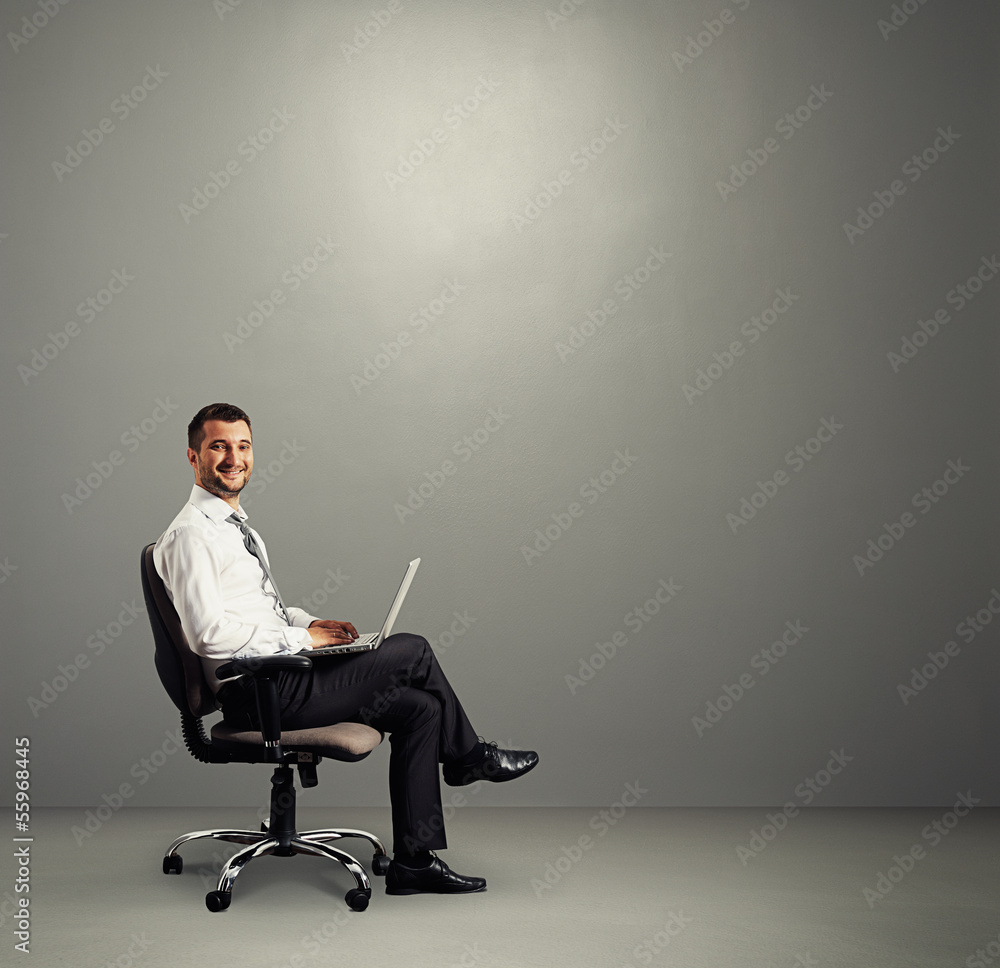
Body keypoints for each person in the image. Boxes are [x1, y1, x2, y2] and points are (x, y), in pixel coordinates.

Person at [153, 402, 538, 895]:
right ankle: (467, 757)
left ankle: (414, 864)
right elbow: (207, 634)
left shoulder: (234, 528)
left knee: (420, 709)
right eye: (219, 447)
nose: (234, 458)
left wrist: (312, 623)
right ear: (193, 457)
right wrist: (301, 640)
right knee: (413, 649)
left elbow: (255, 614)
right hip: (259, 693)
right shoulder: (190, 535)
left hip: (283, 676)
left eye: (243, 446)